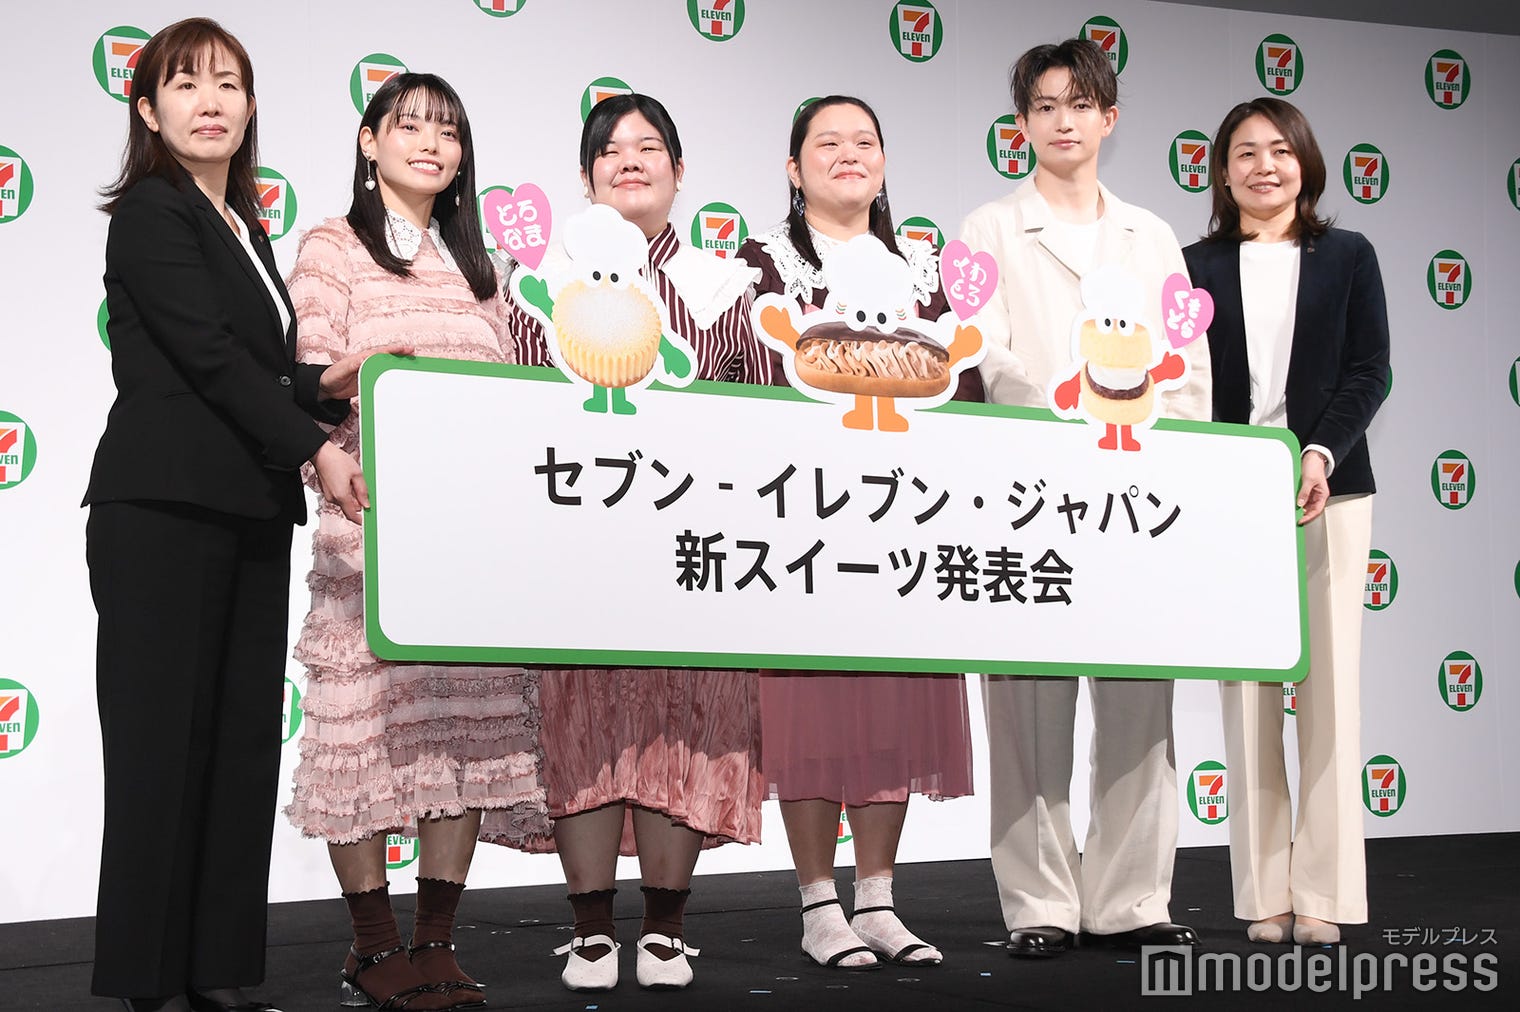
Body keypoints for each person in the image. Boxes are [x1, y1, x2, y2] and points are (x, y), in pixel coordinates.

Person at [85, 17, 406, 1012]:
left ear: (251, 104)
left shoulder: (243, 222)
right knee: (159, 747)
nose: (210, 101)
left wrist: (325, 382)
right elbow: (208, 359)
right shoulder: (152, 211)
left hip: (249, 509)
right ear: (148, 109)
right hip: (163, 509)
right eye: (185, 84)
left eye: (227, 83)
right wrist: (316, 443)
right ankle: (148, 979)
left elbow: (257, 366)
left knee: (234, 746)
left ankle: (213, 969)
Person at [481, 92, 771, 993]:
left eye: (649, 148)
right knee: (584, 718)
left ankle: (669, 930)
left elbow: (756, 410)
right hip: (575, 539)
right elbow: (513, 396)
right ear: (586, 176)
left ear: (680, 172)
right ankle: (592, 931)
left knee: (684, 719)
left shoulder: (724, 286)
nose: (630, 161)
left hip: (692, 539)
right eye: (610, 150)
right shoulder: (537, 280)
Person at [282, 73, 548, 1011]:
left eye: (448, 131)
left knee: (459, 737)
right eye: (409, 126)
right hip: (372, 529)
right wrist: (360, 372)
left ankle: (435, 942)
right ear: (370, 141)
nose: (431, 145)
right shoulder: (331, 245)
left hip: (469, 541)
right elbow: (307, 377)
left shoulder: (483, 267)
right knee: (358, 734)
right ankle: (371, 947)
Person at [957, 38, 1211, 958]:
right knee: (1028, 704)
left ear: (1109, 117)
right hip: (1029, 493)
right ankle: (1039, 902)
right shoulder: (987, 229)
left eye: (1080, 104)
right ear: (1021, 123)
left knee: (1141, 704)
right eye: (1045, 106)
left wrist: (1157, 443)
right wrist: (1064, 417)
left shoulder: (1152, 235)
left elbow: (1186, 366)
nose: (1063, 121)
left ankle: (1132, 898)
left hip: (1137, 497)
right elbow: (983, 350)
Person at [734, 95, 976, 971]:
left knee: (890, 706)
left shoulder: (924, 265)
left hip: (906, 513)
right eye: (826, 143)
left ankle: (876, 899)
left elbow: (961, 382)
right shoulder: (761, 264)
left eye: (864, 141)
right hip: (801, 512)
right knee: (810, 710)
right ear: (793, 169)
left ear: (883, 162)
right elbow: (747, 377)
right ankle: (817, 903)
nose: (848, 154)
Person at [1184, 97, 1388, 947]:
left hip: (1328, 490)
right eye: (1245, 152)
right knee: (1247, 703)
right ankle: (1264, 893)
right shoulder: (1194, 266)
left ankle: (1325, 894)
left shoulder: (1348, 255)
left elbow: (1370, 370)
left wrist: (1318, 452)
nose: (1263, 166)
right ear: (1221, 171)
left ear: (1305, 161)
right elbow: (1179, 382)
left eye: (1279, 149)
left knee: (1330, 698)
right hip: (1232, 497)